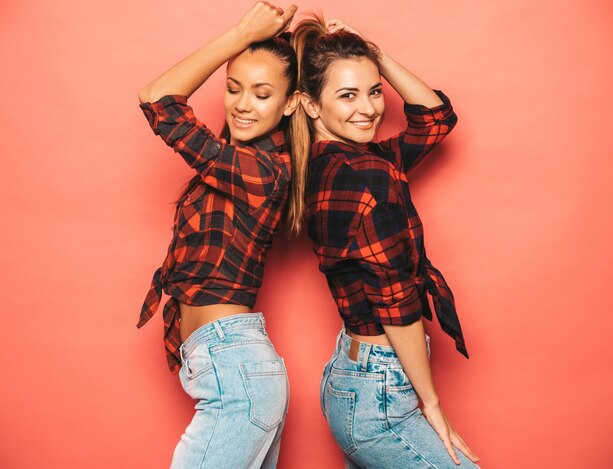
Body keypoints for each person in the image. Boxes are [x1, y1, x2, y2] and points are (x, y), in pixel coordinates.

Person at [292, 16, 481, 468]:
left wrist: (374, 55)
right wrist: (431, 403)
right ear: (310, 105)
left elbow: (436, 118)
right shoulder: (367, 175)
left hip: (351, 377)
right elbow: (395, 302)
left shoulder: (343, 162)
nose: (369, 109)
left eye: (375, 91)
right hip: (380, 393)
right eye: (347, 95)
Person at [136, 3, 303, 467]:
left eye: (262, 93)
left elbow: (158, 100)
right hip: (236, 370)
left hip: (236, 371)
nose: (242, 104)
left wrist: (240, 33)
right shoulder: (236, 164)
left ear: (290, 103)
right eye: (233, 88)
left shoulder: (264, 170)